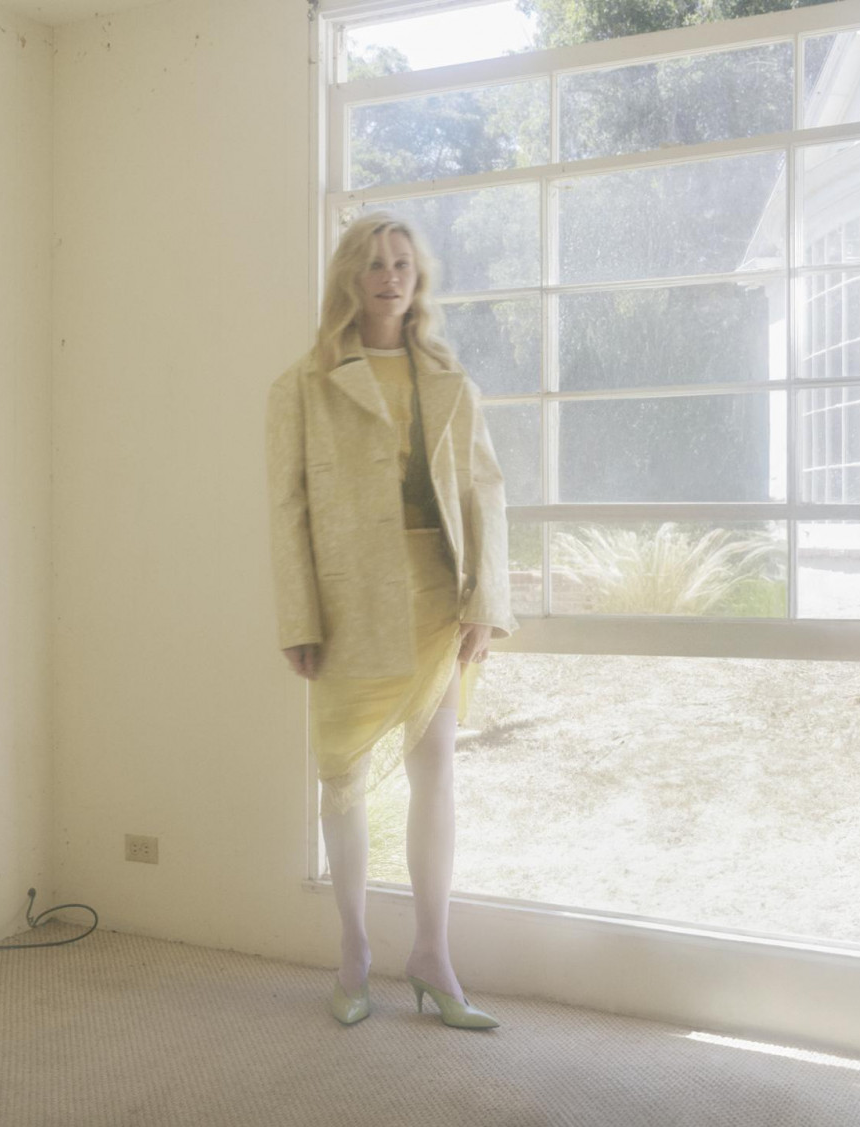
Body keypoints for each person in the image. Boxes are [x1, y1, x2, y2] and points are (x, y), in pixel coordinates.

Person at [264, 212, 519, 1029]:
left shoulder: (449, 379)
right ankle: (353, 951)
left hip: (436, 600)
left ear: (419, 277)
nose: (390, 277)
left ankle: (433, 953)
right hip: (348, 605)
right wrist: (298, 616)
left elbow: (485, 491)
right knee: (341, 775)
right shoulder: (302, 385)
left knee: (436, 768)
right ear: (351, 276)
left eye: (403, 263)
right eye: (374, 264)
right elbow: (288, 508)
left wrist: (485, 604)